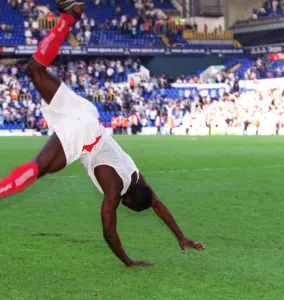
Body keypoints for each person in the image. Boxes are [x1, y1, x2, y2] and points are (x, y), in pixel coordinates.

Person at [0, 0, 205, 267]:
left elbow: (157, 204)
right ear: (128, 200)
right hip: (84, 134)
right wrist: (128, 261)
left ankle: (69, 18)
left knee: (35, 69)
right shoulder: (116, 189)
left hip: (87, 114)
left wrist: (181, 236)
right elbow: (109, 232)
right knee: (38, 168)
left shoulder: (136, 175)